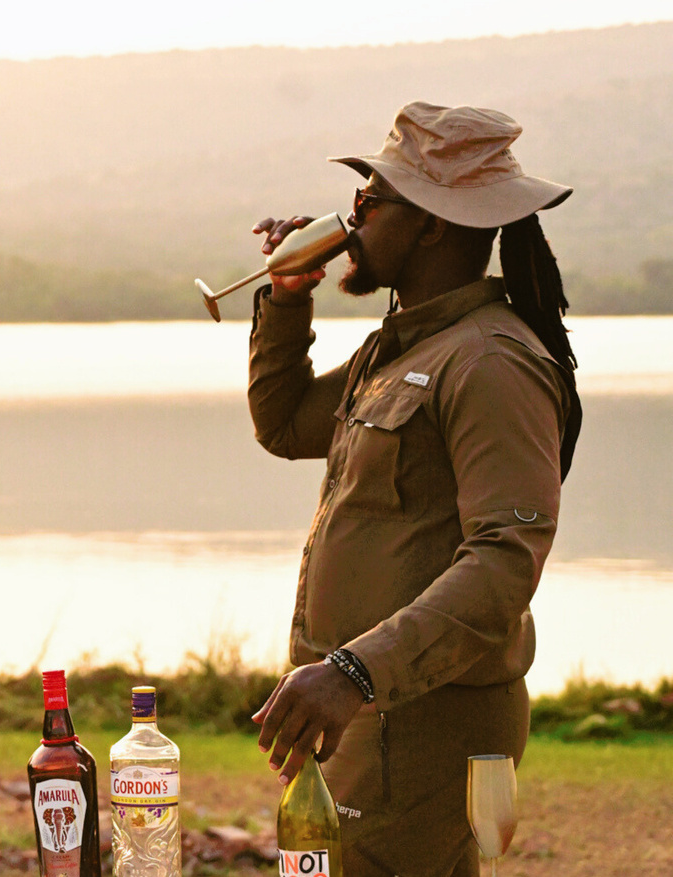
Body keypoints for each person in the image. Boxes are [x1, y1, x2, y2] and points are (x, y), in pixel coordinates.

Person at [246, 102, 581, 875]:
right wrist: (289, 296)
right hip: (365, 715)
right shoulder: (402, 348)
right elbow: (287, 424)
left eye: (371, 203)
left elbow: (506, 557)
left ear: (431, 225)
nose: (350, 221)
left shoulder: (489, 361)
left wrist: (356, 670)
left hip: (420, 722)